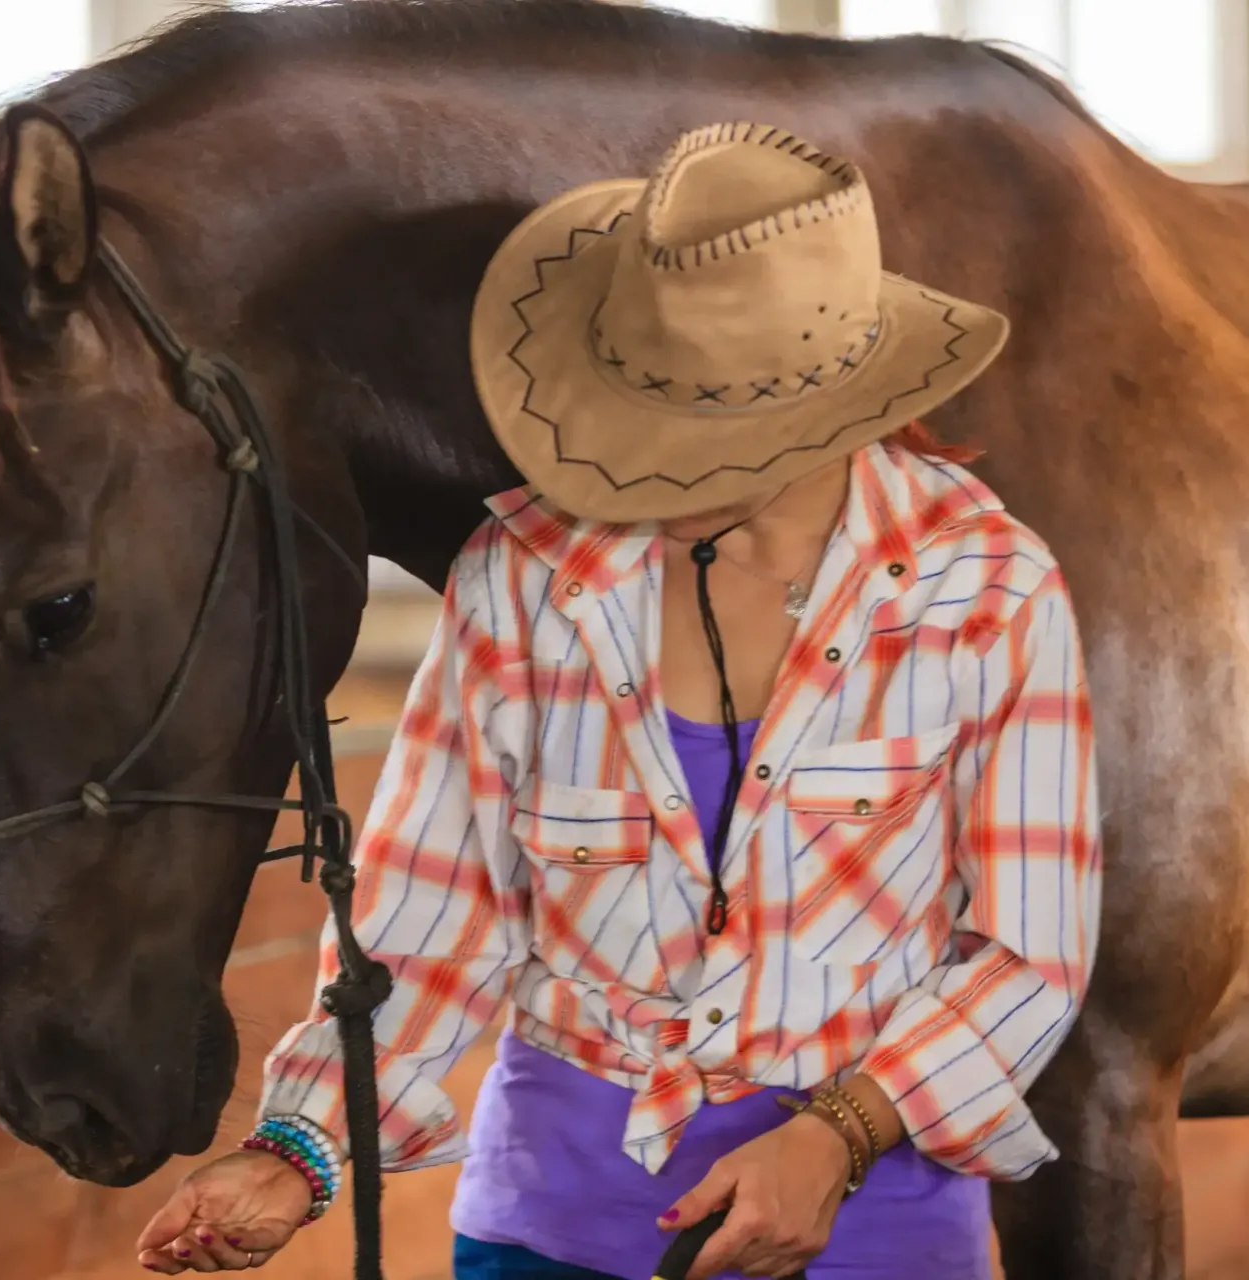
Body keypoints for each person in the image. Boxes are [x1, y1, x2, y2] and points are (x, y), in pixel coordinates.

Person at [138, 122, 1102, 1280]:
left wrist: (839, 1134)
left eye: (699, 433)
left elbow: (1027, 953)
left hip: (876, 1243)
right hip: (544, 1237)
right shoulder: (523, 582)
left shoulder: (989, 589)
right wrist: (298, 1152)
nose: (641, 465)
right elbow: (427, 922)